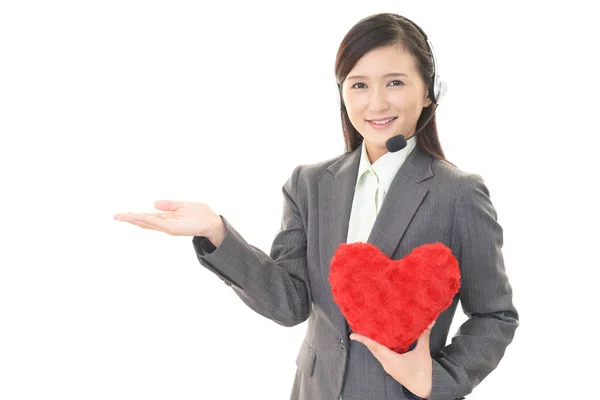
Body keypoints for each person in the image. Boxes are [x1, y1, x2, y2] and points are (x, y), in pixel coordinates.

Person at [114, 12, 519, 400]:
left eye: (394, 82)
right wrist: (217, 233)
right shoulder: (308, 184)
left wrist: (436, 378)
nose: (375, 103)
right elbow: (290, 303)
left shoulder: (459, 193)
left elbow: (495, 316)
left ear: (430, 92)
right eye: (358, 85)